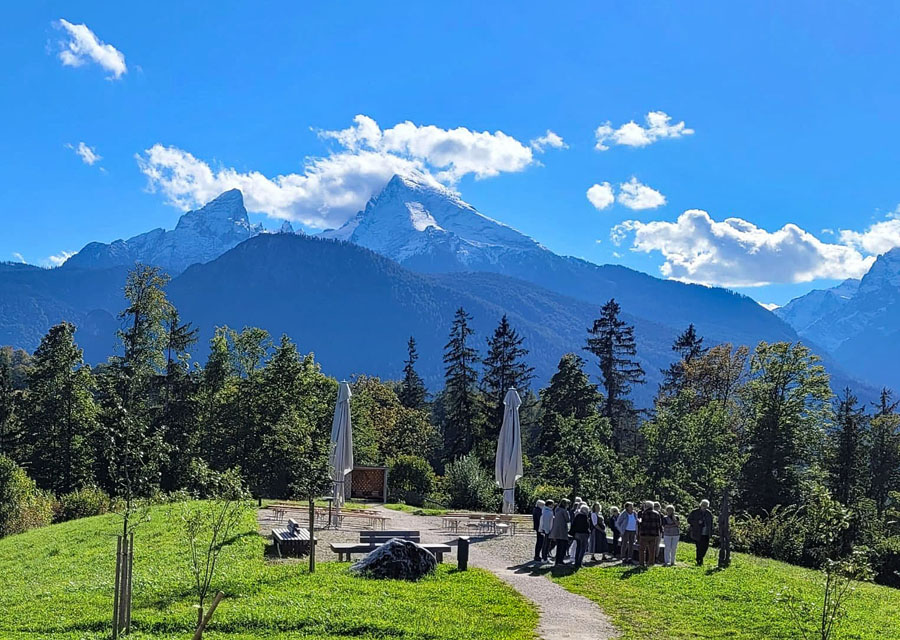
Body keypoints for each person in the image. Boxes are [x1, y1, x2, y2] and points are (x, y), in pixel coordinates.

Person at [687, 499, 714, 566]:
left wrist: (711, 532)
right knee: (699, 547)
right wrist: (697, 522)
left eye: (706, 506)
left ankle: (700, 557)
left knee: (705, 547)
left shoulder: (709, 513)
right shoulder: (695, 512)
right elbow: (689, 520)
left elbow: (711, 524)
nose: (704, 507)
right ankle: (699, 560)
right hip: (697, 533)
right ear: (700, 505)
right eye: (703, 505)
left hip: (706, 533)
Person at [637, 501, 663, 567]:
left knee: (642, 549)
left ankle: (641, 563)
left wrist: (639, 521)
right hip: (653, 534)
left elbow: (643, 524)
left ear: (646, 506)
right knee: (652, 549)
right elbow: (659, 524)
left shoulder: (644, 513)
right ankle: (651, 563)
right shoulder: (657, 513)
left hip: (645, 534)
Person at [550, 498, 572, 565]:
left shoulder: (557, 510)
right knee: (563, 546)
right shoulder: (564, 511)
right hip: (562, 531)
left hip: (556, 531)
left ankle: (557, 561)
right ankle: (560, 561)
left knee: (559, 547)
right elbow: (568, 520)